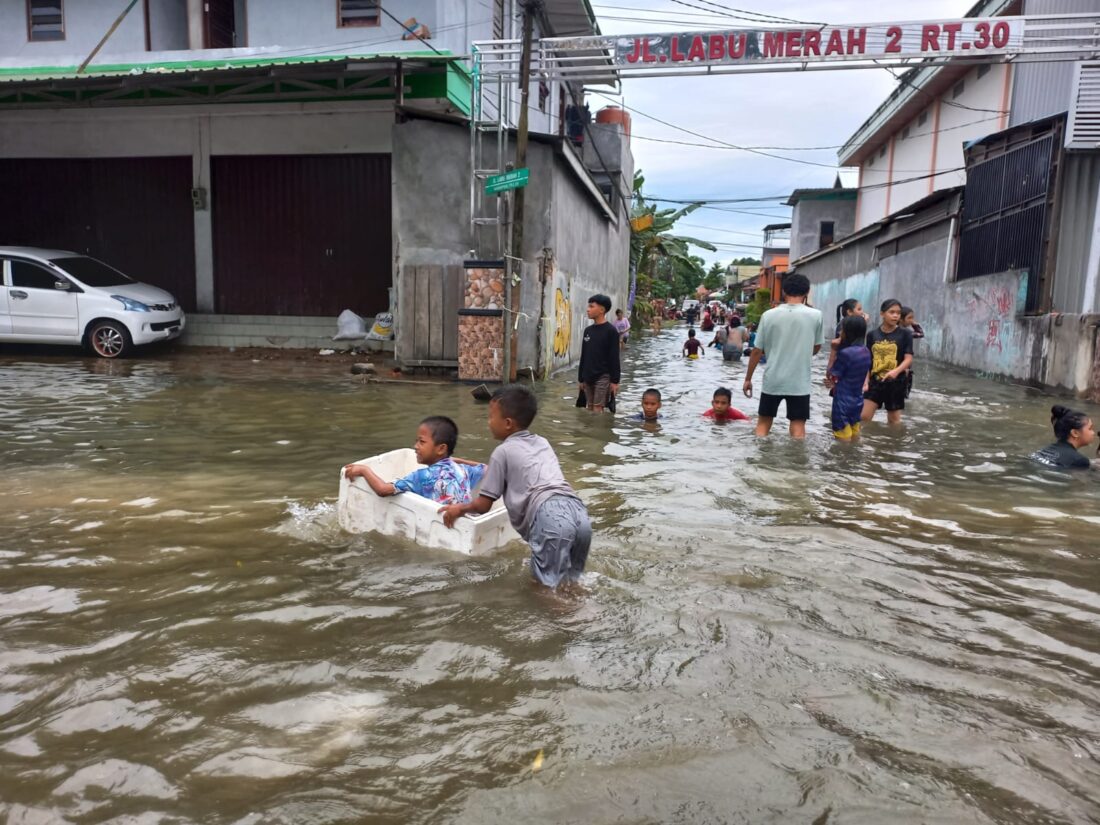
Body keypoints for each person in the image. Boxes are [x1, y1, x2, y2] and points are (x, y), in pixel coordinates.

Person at [439, 386, 591, 588]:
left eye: (491, 416)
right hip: (579, 513)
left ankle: (575, 619)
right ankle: (587, 613)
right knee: (571, 585)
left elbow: (484, 505)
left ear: (508, 423)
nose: (488, 422)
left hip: (550, 516)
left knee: (544, 589)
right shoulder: (543, 442)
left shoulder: (502, 451)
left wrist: (459, 508)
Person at [742, 273, 824, 439]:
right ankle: (796, 462)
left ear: (784, 292)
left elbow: (757, 351)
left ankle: (759, 459)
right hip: (799, 381)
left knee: (763, 423)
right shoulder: (816, 315)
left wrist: (748, 378)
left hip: (773, 379)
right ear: (807, 292)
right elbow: (815, 349)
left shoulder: (768, 315)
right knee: (798, 425)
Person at [344, 416, 485, 505]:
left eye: (422, 442)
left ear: (441, 449)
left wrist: (364, 470)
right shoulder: (464, 471)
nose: (415, 446)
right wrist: (455, 461)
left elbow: (382, 490)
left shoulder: (423, 477)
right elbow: (486, 467)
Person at [862, 299, 914, 425]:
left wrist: (896, 371)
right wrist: (865, 382)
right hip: (875, 382)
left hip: (896, 383)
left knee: (894, 422)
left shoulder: (905, 334)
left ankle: (893, 444)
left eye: (898, 313)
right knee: (863, 417)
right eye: (892, 312)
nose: (896, 315)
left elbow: (908, 359)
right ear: (882, 314)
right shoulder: (872, 335)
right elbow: (868, 361)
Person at [827, 316, 872, 440]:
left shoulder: (845, 354)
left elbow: (831, 375)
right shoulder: (866, 351)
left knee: (843, 441)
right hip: (857, 401)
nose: (840, 333)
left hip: (842, 402)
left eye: (842, 330)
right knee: (855, 435)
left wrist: (833, 350)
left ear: (848, 332)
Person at [577, 294, 620, 412]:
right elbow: (584, 355)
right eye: (588, 306)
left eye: (591, 306)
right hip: (588, 376)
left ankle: (598, 429)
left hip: (603, 376)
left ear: (602, 310)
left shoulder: (611, 331)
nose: (588, 309)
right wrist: (581, 379)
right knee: (589, 407)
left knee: (597, 407)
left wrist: (615, 381)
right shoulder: (588, 331)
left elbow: (614, 357)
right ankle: (590, 429)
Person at [900, 306, 924, 398]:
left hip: (905, 366)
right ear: (901, 319)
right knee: (904, 395)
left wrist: (912, 322)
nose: (911, 320)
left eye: (912, 318)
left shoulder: (904, 332)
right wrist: (914, 324)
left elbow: (920, 334)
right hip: (903, 367)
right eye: (909, 318)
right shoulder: (906, 333)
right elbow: (921, 333)